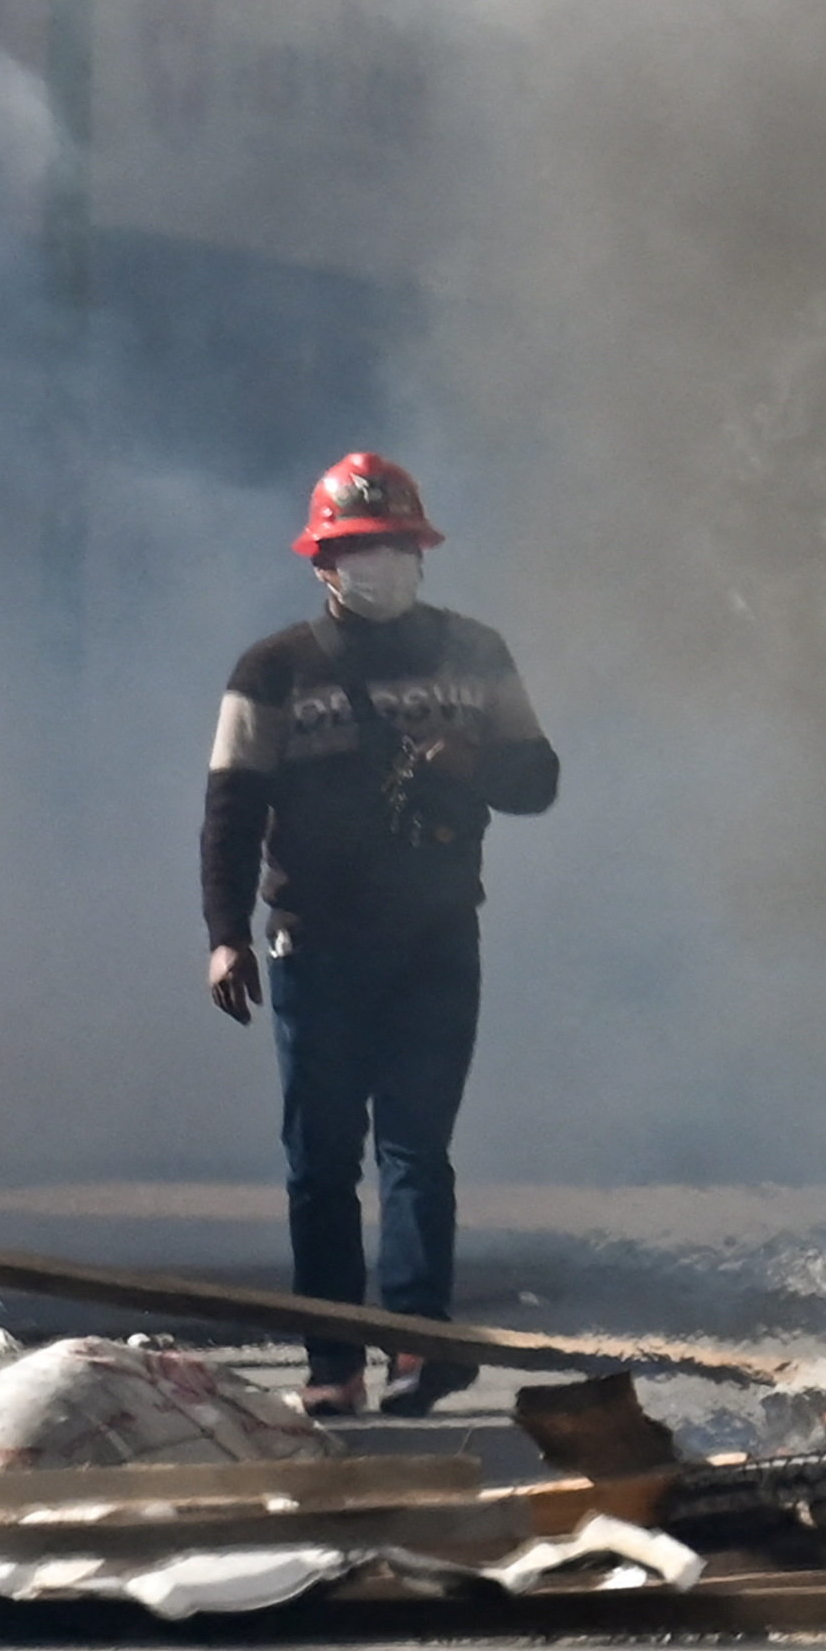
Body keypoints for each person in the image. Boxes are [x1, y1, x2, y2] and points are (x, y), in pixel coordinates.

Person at [203, 454, 559, 1419]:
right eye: (359, 549)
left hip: (437, 938)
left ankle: (418, 1348)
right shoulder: (271, 670)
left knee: (416, 1150)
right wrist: (225, 933)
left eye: (395, 547)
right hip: (314, 943)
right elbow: (232, 811)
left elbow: (540, 782)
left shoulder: (476, 654)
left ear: (422, 554)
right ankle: (333, 1364)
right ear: (322, 561)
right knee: (320, 1160)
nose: (380, 565)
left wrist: (472, 761)